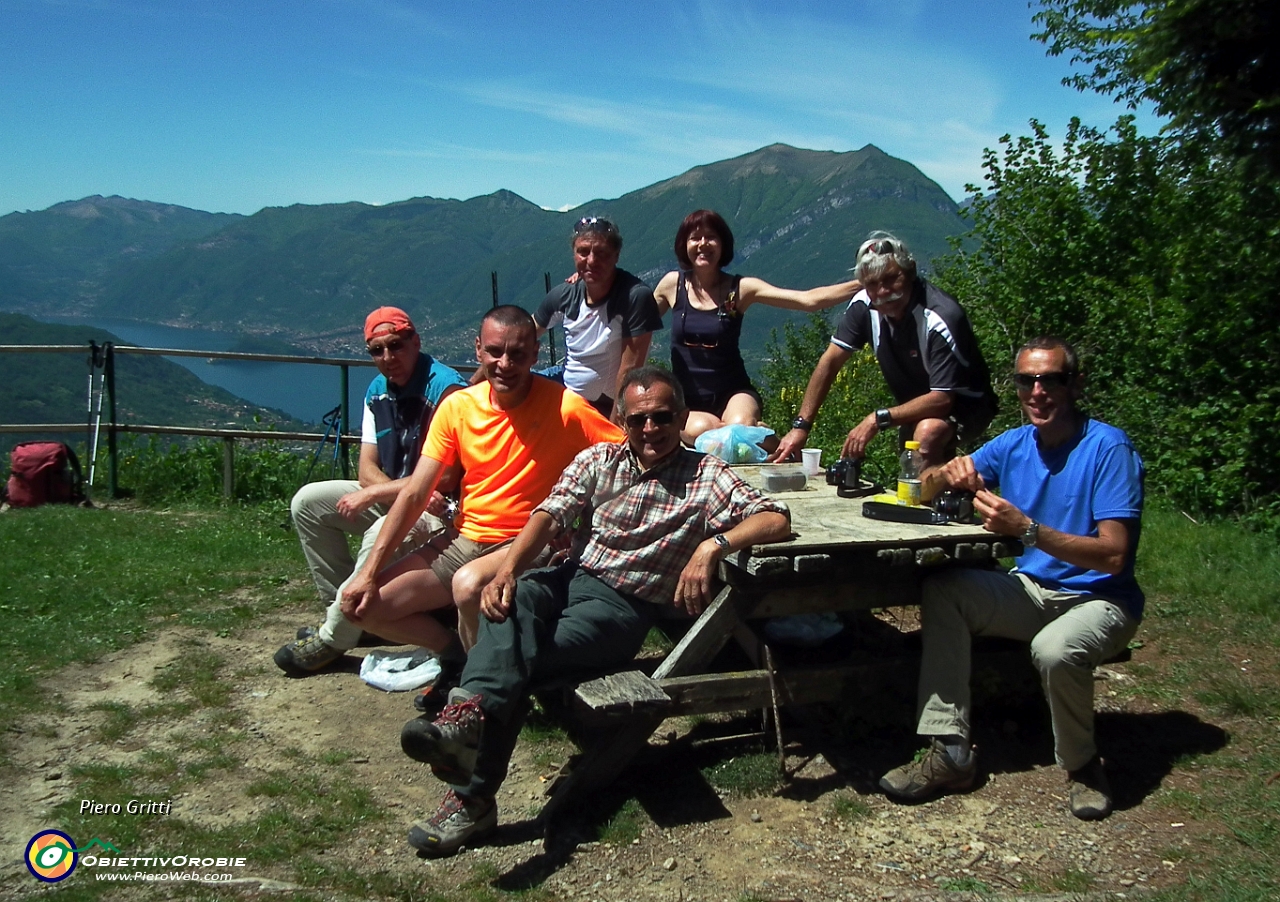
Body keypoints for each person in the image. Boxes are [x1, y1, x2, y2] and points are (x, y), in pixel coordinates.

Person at [398, 365, 791, 856]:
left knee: (514, 658)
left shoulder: (704, 475)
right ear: (622, 420)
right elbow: (550, 513)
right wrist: (506, 572)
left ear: (682, 417)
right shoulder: (600, 459)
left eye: (663, 417)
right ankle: (470, 725)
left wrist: (714, 546)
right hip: (569, 576)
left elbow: (775, 518)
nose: (651, 430)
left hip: (621, 605)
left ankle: (471, 791)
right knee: (505, 606)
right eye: (638, 420)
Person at [283, 306, 624, 696]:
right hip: (464, 539)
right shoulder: (460, 407)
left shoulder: (566, 408)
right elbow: (416, 492)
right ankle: (455, 656)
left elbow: (625, 455)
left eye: (517, 353)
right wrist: (365, 574)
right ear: (479, 350)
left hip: (527, 541)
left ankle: (482, 695)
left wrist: (583, 520)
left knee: (467, 585)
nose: (505, 363)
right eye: (495, 352)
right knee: (359, 606)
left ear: (534, 354)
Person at [878, 336, 1144, 821]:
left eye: (1051, 379)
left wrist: (1028, 531)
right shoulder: (1016, 443)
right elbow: (923, 489)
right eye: (1027, 380)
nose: (1038, 391)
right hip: (1032, 589)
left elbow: (1114, 557)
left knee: (1055, 650)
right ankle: (951, 752)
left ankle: (1083, 767)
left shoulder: (1108, 449)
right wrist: (944, 472)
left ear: (1075, 384)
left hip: (1099, 599)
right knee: (946, 590)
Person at [276, 306, 466, 674]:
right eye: (376, 350)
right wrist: (384, 493)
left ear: (416, 342)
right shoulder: (378, 390)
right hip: (399, 494)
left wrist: (380, 493)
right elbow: (366, 469)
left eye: (395, 346)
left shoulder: (447, 391)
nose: (387, 358)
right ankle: (351, 616)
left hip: (439, 507)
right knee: (307, 504)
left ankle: (334, 636)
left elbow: (444, 479)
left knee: (379, 533)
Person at [772, 231, 997, 468]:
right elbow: (829, 363)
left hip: (966, 403)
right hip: (916, 401)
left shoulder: (940, 317)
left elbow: (942, 400)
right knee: (912, 467)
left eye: (891, 279)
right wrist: (800, 427)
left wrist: (876, 420)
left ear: (910, 272)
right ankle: (928, 497)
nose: (882, 292)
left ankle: (932, 500)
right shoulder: (863, 306)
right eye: (872, 284)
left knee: (927, 435)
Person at [653, 209, 861, 444]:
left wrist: (864, 283)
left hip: (735, 393)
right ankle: (762, 436)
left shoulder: (740, 289)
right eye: (695, 238)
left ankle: (751, 431)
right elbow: (636, 327)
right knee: (698, 432)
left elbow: (808, 300)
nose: (703, 244)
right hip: (686, 399)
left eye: (711, 237)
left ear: (723, 245)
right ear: (684, 244)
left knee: (737, 430)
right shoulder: (672, 285)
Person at [534, 216, 664, 418]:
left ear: (616, 255)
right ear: (574, 255)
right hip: (567, 391)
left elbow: (629, 368)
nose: (592, 260)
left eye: (601, 253)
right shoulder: (565, 294)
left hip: (603, 405)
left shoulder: (634, 296)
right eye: (583, 252)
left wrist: (614, 428)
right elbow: (522, 336)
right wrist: (478, 383)